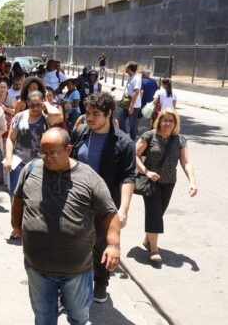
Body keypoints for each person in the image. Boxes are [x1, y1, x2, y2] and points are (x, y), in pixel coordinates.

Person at [11, 128, 122, 325]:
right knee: (44, 319)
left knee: (78, 318)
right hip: (38, 267)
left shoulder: (89, 178)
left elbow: (109, 213)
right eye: (43, 153)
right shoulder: (31, 170)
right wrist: (16, 225)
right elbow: (18, 198)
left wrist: (113, 245)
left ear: (68, 149)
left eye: (52, 153)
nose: (46, 158)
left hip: (76, 270)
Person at [70, 92, 136, 303]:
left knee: (101, 245)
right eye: (87, 113)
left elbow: (128, 177)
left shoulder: (124, 143)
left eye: (95, 114)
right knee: (74, 244)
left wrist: (123, 209)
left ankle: (100, 282)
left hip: (105, 206)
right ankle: (71, 286)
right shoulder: (79, 133)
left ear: (109, 114)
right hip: (77, 202)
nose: (89, 118)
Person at [135, 109, 197, 263]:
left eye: (171, 120)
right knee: (154, 213)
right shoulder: (149, 136)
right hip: (151, 181)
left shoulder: (180, 140)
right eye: (165, 120)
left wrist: (192, 182)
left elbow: (186, 162)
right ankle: (154, 250)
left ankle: (148, 239)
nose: (168, 123)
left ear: (175, 123)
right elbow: (134, 155)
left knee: (158, 213)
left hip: (169, 182)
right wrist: (146, 172)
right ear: (159, 121)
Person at [4, 90, 63, 235]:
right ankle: (16, 227)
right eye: (32, 105)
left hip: (39, 164)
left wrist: (47, 104)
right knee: (15, 195)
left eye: (38, 105)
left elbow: (57, 115)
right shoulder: (19, 117)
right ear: (27, 104)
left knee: (35, 196)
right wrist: (8, 158)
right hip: (19, 162)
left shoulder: (46, 118)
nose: (36, 108)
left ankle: (31, 226)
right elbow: (11, 139)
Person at [115, 61, 142, 140]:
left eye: (126, 67)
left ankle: (132, 141)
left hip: (133, 105)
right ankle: (125, 137)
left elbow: (136, 92)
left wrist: (131, 106)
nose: (125, 68)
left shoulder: (137, 78)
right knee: (119, 120)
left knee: (132, 124)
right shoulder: (131, 77)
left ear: (129, 68)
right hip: (126, 103)